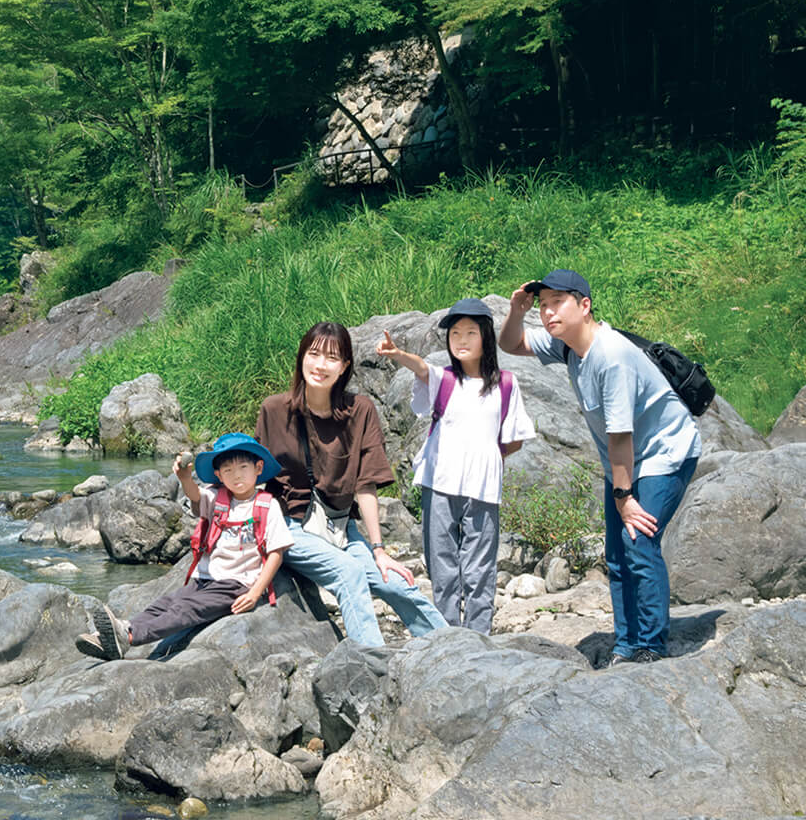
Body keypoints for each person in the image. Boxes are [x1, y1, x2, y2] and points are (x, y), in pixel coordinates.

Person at [499, 270, 701, 664]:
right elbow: (511, 343)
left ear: (585, 305)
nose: (548, 312)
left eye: (557, 302)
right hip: (626, 461)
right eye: (543, 305)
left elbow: (620, 436)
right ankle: (626, 644)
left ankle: (650, 647)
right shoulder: (568, 346)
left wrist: (624, 498)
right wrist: (515, 311)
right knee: (616, 553)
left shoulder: (611, 357)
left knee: (638, 542)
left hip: (665, 451)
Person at [254, 322, 447, 648]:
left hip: (341, 527)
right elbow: (253, 476)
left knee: (397, 583)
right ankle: (373, 663)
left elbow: (366, 485)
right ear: (302, 358)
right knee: (350, 574)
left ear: (344, 366)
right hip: (288, 526)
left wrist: (379, 551)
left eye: (331, 358)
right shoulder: (275, 410)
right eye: (313, 354)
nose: (319, 365)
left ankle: (451, 649)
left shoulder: (360, 411)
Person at [376, 297, 536, 632]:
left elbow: (516, 437)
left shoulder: (506, 383)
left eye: (470, 333)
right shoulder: (444, 379)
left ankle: (479, 633)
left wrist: (486, 456)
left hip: (483, 486)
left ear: (486, 338)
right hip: (440, 482)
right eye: (455, 334)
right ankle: (445, 633)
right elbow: (421, 367)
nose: (461, 340)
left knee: (480, 565)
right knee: (442, 562)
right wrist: (397, 355)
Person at [76, 432, 292, 661]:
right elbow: (195, 495)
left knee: (186, 610)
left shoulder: (267, 506)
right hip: (205, 578)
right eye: (228, 471)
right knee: (166, 603)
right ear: (218, 475)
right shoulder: (217, 497)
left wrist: (255, 592)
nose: (236, 475)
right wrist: (185, 477)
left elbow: (276, 552)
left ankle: (130, 638)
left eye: (243, 468)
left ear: (258, 468)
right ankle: (118, 630)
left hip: (236, 583)